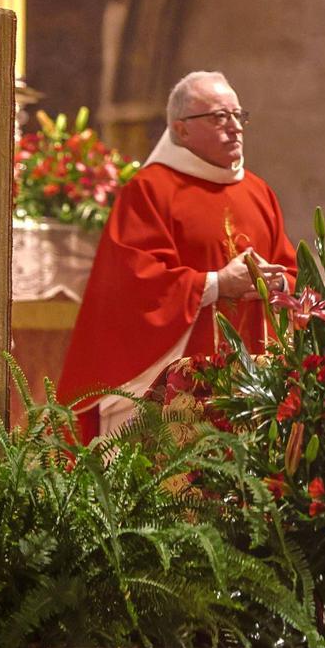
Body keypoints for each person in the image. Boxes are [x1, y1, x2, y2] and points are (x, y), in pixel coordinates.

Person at [59, 71, 297, 441]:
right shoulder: (150, 190)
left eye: (239, 115)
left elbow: (291, 271)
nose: (235, 127)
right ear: (181, 129)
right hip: (177, 393)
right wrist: (218, 284)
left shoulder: (258, 191)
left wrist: (277, 282)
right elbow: (134, 284)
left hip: (254, 385)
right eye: (219, 117)